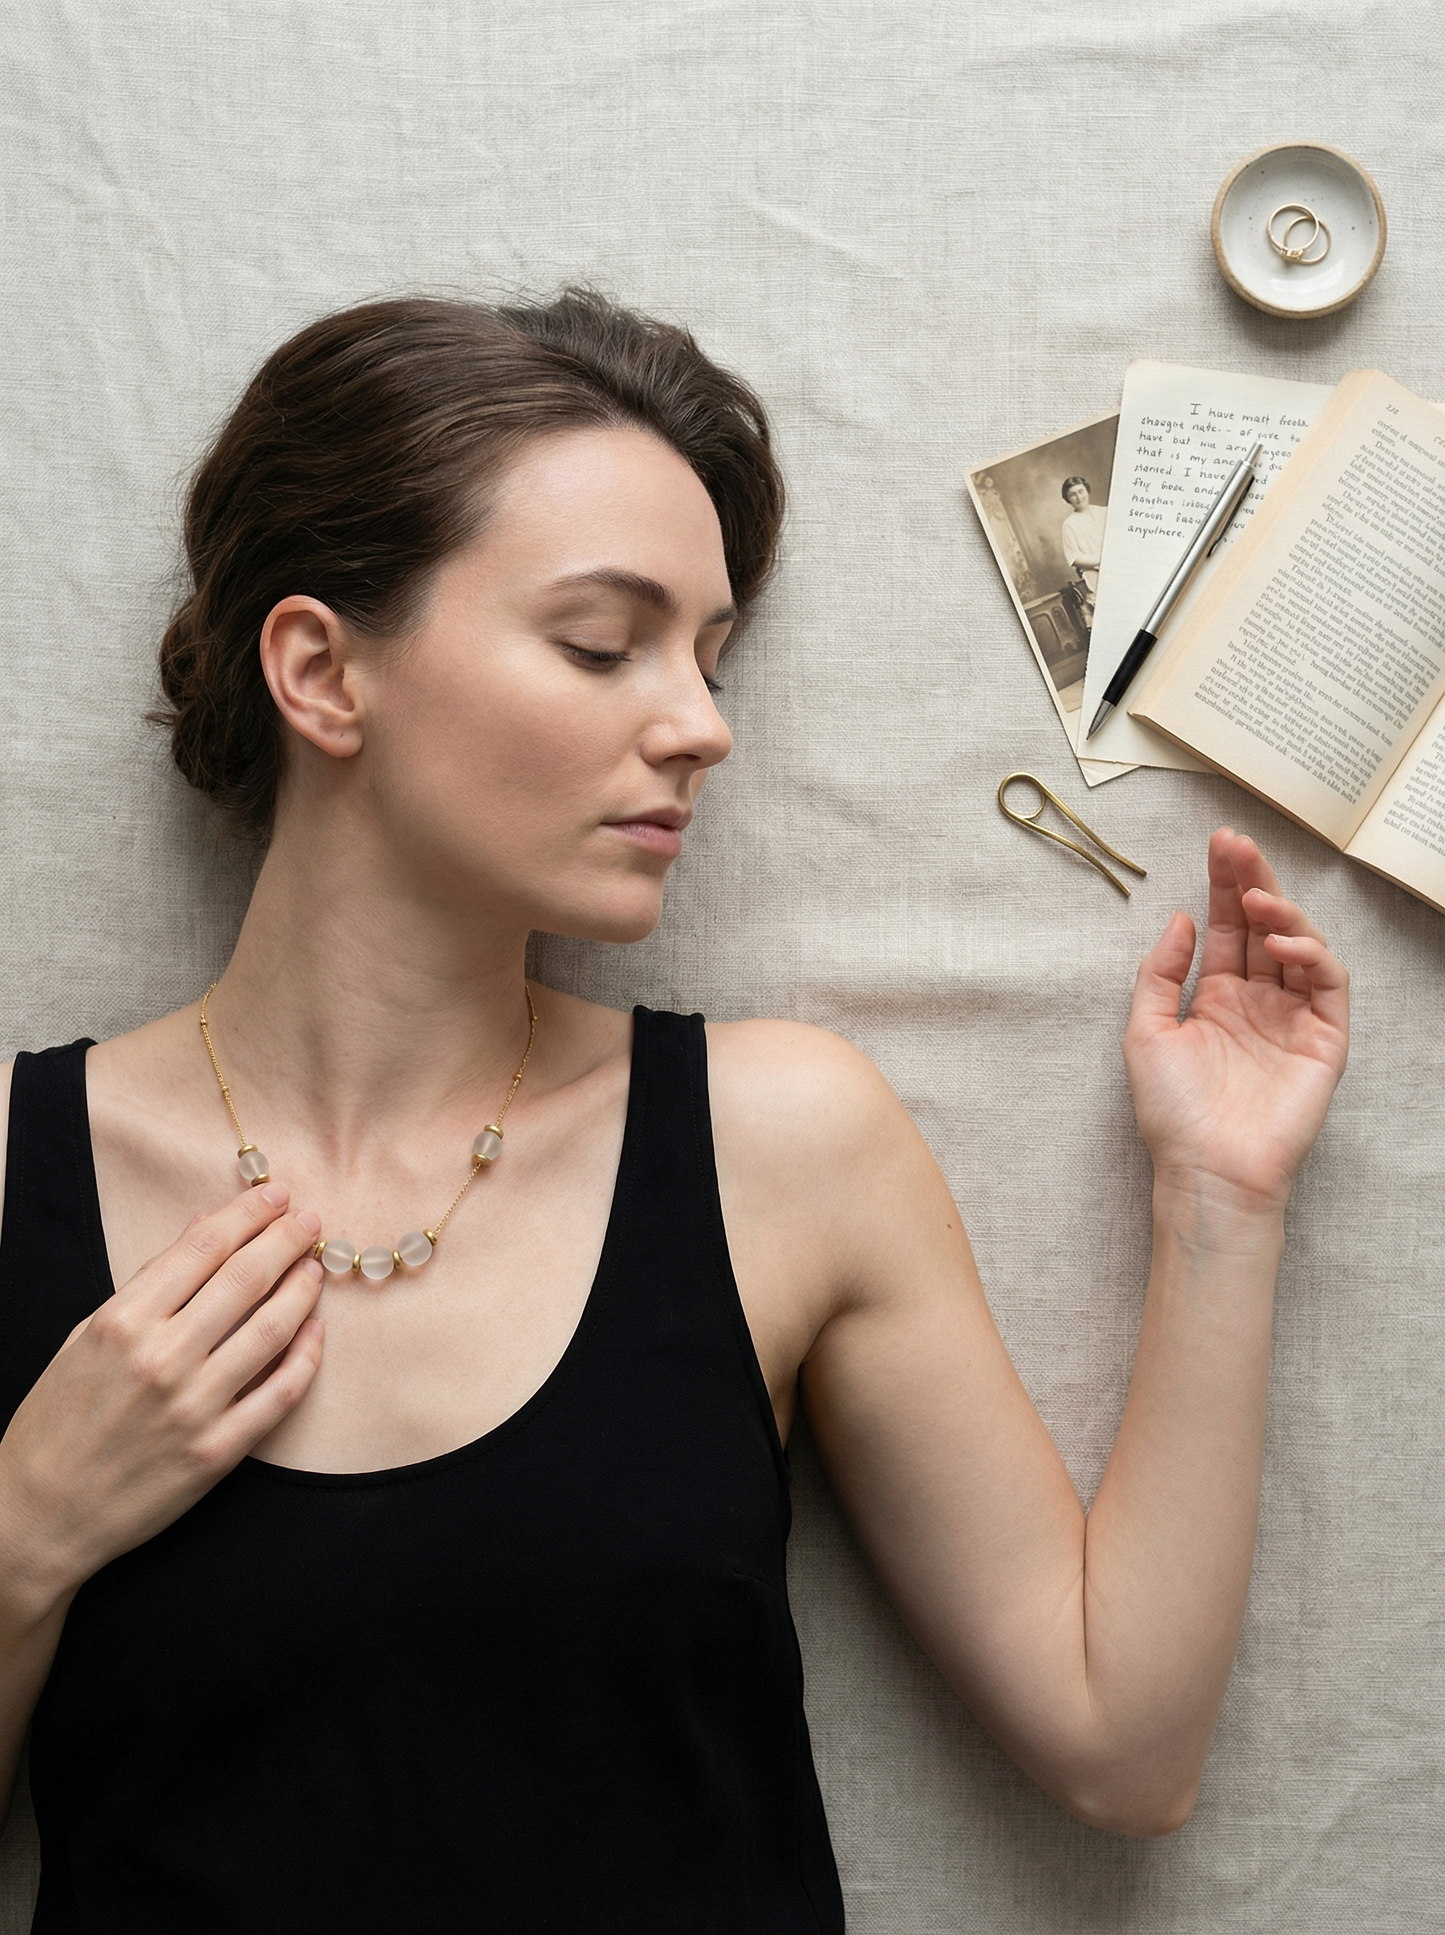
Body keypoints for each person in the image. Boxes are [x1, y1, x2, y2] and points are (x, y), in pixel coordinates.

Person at [0, 293, 1349, 1933]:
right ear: (318, 671)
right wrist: (23, 1533)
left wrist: (1223, 1195)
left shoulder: (784, 1140)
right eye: (600, 643)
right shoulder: (19, 1176)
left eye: (711, 657)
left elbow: (1123, 1747)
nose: (703, 725)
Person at [1060, 473, 1108, 614]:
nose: (1078, 497)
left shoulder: (1105, 512)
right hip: (1094, 575)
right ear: (1067, 499)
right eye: (1072, 494)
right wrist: (1102, 561)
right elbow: (1074, 558)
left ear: (1087, 490)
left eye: (1081, 491)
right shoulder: (1069, 525)